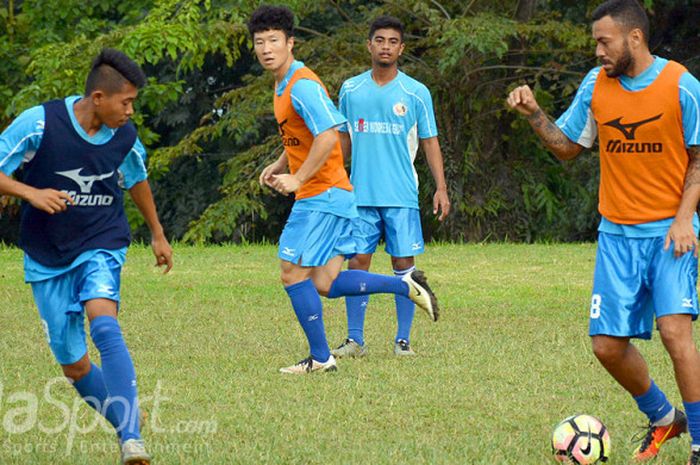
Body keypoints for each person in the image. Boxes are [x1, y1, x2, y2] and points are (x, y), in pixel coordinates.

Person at [507, 0, 700, 463]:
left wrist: (682, 218)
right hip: (616, 234)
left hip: (671, 233)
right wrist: (534, 113)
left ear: (634, 38)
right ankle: (662, 416)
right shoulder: (596, 85)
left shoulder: (681, 85)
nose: (598, 51)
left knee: (675, 333)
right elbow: (570, 147)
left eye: (604, 41)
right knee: (607, 346)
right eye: (596, 41)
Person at [0, 48, 173, 465]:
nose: (130, 111)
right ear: (98, 98)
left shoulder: (125, 137)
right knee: (74, 367)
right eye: (125, 102)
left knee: (104, 320)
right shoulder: (40, 123)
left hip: (102, 239)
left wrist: (157, 232)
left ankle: (131, 439)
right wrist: (30, 192)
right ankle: (126, 415)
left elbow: (137, 179)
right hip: (46, 253)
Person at [248, 5, 439, 375]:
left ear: (291, 42)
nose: (267, 48)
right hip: (331, 194)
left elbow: (328, 134)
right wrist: (280, 164)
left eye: (274, 40)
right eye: (260, 42)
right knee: (324, 281)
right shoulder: (282, 83)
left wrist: (299, 178)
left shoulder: (301, 84)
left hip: (323, 194)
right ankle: (406, 286)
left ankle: (321, 358)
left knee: (291, 272)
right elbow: (302, 136)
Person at [331, 16, 449, 358]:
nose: (385, 46)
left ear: (401, 48)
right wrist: (336, 182)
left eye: (392, 41)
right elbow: (342, 140)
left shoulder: (416, 92)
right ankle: (355, 340)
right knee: (357, 265)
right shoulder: (351, 90)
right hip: (360, 195)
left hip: (401, 196)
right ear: (369, 45)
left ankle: (403, 340)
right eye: (379, 40)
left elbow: (430, 141)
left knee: (404, 267)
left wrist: (440, 187)